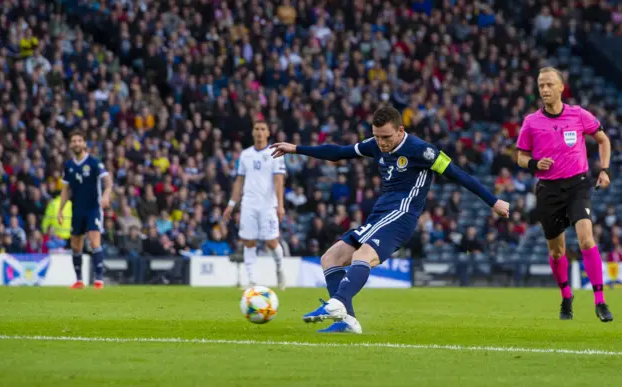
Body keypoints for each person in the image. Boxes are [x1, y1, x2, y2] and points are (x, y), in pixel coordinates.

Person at [270, 105, 510, 333]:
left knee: (361, 255)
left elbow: (459, 175)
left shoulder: (422, 150)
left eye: (386, 137)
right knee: (330, 257)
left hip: (402, 215)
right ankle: (347, 320)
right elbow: (338, 153)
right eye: (377, 137)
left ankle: (338, 302)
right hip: (380, 215)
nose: (381, 143)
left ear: (400, 131)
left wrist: (494, 201)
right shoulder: (375, 145)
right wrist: (297, 148)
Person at [516, 66, 613, 322]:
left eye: (549, 84)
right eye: (541, 86)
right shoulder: (531, 122)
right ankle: (567, 295)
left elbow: (603, 140)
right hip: (548, 190)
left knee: (586, 240)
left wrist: (604, 170)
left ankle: (600, 301)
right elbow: (520, 156)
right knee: (557, 252)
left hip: (578, 185)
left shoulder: (579, 115)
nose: (545, 89)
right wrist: (535, 164)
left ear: (561, 87)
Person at [223, 121, 287, 289]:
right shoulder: (245, 155)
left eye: (262, 129)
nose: (259, 132)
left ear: (267, 133)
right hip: (248, 204)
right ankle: (252, 281)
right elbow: (239, 180)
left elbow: (279, 180)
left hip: (268, 205)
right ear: (253, 132)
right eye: (257, 129)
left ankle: (280, 269)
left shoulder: (275, 153)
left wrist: (280, 205)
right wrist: (231, 204)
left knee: (271, 242)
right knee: (248, 241)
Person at [58, 130, 113, 289]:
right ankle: (79, 280)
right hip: (77, 210)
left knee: (94, 241)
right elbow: (65, 190)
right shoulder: (68, 166)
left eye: (79, 140)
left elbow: (108, 181)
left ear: (84, 144)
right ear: (70, 145)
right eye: (73, 141)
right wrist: (61, 210)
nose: (76, 143)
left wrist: (106, 195)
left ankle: (99, 280)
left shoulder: (94, 162)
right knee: (76, 245)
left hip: (93, 209)